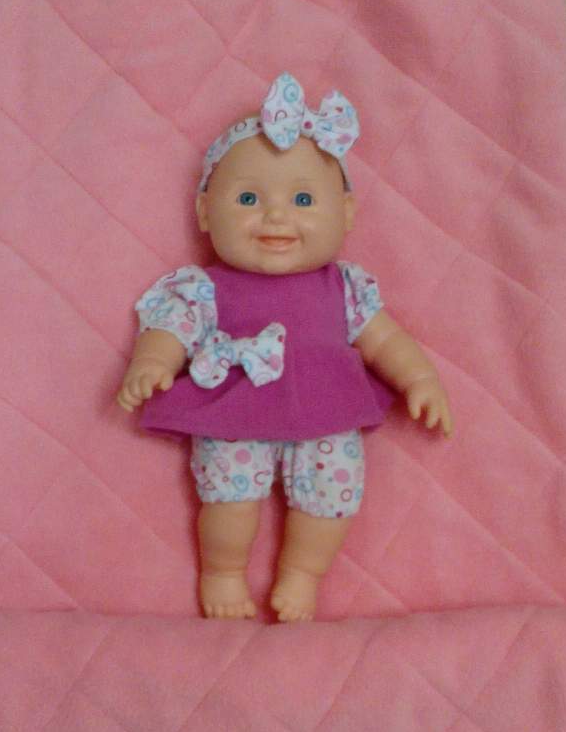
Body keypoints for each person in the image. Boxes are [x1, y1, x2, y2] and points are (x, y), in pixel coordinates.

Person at [117, 72, 452, 622]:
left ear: (346, 213)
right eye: (248, 198)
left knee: (332, 500)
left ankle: (302, 574)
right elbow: (172, 327)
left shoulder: (344, 287)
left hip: (326, 414)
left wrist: (420, 378)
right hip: (232, 414)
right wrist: (152, 361)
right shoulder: (204, 287)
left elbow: (385, 338)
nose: (276, 216)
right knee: (228, 501)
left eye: (303, 198)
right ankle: (223, 572)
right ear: (205, 213)